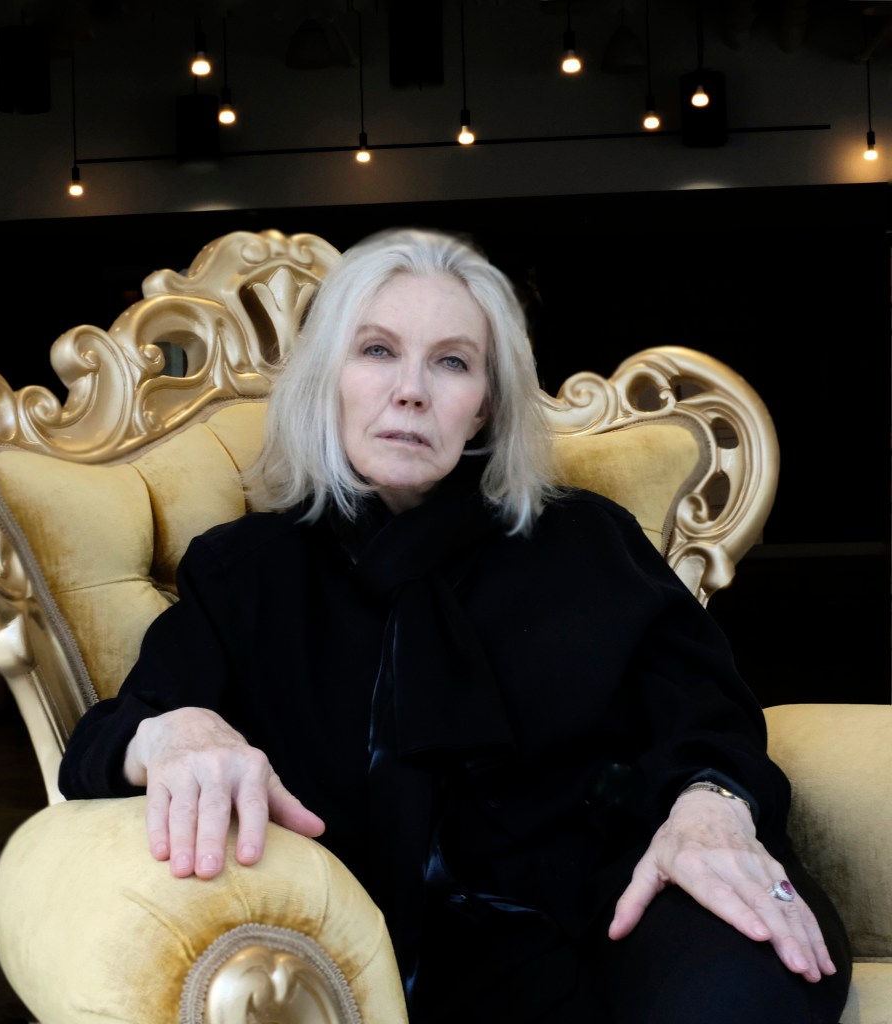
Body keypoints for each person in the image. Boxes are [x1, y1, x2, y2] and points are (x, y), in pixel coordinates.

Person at [59, 227, 851, 1024]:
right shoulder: (247, 572)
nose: (411, 391)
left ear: (484, 406)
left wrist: (710, 809)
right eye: (377, 351)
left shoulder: (588, 540)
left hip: (628, 905)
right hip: (363, 956)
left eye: (451, 362)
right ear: (327, 379)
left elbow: (708, 718)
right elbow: (115, 732)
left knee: (742, 987)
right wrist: (175, 733)